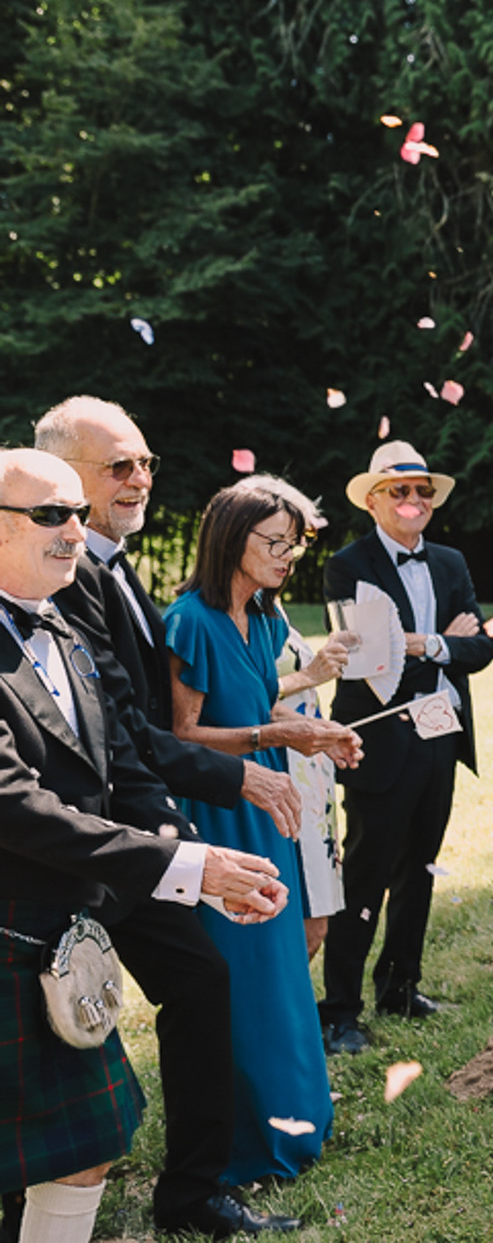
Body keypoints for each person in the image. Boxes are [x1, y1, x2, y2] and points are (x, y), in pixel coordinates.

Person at [33, 395, 309, 1235]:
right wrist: (238, 782)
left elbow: (126, 725)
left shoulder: (111, 569)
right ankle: (47, 1183)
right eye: (118, 465)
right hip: (65, 843)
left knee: (199, 980)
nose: (139, 477)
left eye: (145, 461)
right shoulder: (58, 573)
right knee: (57, 1024)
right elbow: (133, 728)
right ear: (61, 476)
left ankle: (191, 1192)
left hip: (137, 831)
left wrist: (185, 824)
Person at [165, 484, 362, 1186]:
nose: (287, 557)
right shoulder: (187, 621)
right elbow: (181, 734)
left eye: (294, 543)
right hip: (221, 808)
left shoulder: (265, 618)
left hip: (272, 798)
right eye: (273, 542)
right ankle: (249, 1141)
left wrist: (311, 720)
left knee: (281, 966)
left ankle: (300, 1117)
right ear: (230, 539)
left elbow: (258, 694)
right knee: (242, 974)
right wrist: (274, 734)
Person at [319, 443, 493, 1056]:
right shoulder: (348, 566)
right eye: (400, 491)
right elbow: (373, 661)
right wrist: (441, 643)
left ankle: (401, 987)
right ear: (373, 500)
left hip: (440, 734)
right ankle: (339, 1010)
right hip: (379, 738)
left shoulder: (449, 562)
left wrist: (422, 645)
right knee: (365, 875)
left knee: (419, 868)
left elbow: (483, 649)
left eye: (423, 491)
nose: (415, 501)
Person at [244, 476, 354, 961]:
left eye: (300, 541)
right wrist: (311, 674)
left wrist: (325, 735)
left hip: (309, 766)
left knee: (315, 925)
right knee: (298, 926)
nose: (294, 552)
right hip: (276, 767)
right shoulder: (239, 606)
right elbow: (243, 693)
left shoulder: (272, 601)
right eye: (284, 540)